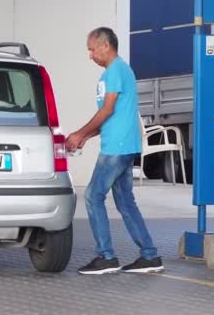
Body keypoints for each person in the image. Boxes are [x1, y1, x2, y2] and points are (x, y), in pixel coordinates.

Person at [67, 27, 164, 275]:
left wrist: (79, 133)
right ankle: (150, 256)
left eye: (91, 49)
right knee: (125, 202)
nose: (90, 55)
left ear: (105, 46)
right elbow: (113, 116)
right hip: (122, 143)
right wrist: (86, 137)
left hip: (117, 147)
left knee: (92, 196)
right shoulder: (119, 71)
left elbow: (107, 110)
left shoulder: (115, 72)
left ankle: (106, 257)